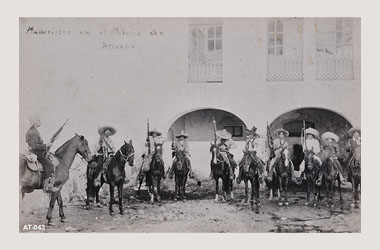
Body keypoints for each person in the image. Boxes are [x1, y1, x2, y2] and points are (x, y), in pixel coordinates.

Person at [25, 114, 56, 192]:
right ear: (35, 122)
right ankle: (47, 186)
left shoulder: (33, 131)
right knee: (50, 165)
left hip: (36, 151)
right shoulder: (33, 132)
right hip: (36, 153)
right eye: (38, 120)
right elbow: (34, 146)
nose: (40, 121)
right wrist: (46, 146)